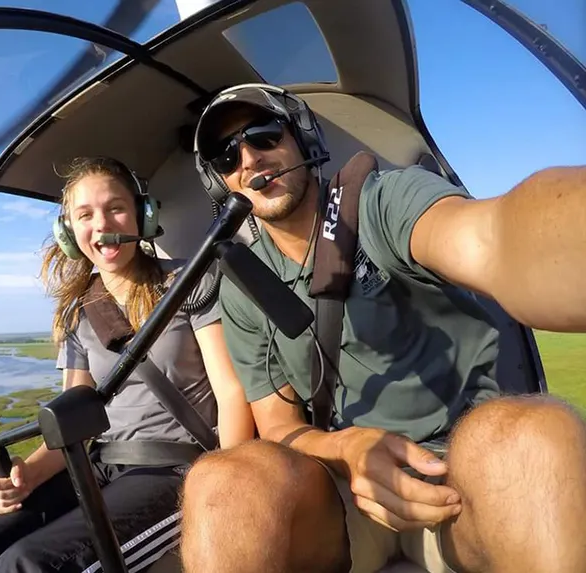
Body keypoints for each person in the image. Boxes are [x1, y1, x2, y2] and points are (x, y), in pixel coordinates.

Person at [177, 83, 586, 573]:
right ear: (221, 183)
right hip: (349, 494)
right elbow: (279, 426)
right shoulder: (245, 287)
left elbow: (494, 237)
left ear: (302, 139)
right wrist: (345, 448)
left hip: (463, 471)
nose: (248, 158)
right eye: (226, 156)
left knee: (530, 436)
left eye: (263, 135)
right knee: (219, 481)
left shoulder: (384, 203)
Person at [0, 156, 255, 573]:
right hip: (99, 464)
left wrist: (226, 484)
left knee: (27, 564)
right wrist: (26, 475)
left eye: (115, 208)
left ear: (142, 214)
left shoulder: (190, 283)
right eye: (85, 214)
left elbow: (231, 391)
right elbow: (74, 415)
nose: (102, 224)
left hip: (175, 469)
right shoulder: (79, 312)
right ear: (68, 232)